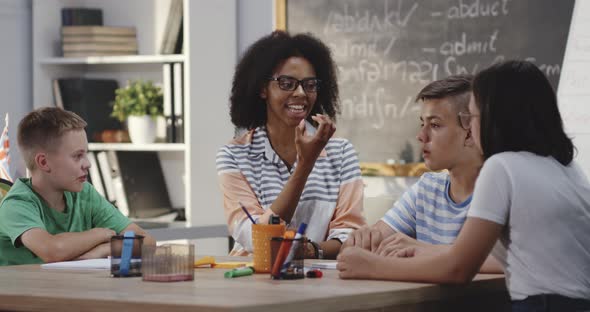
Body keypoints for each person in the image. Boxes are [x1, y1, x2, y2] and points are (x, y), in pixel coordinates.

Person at [337, 60, 590, 311]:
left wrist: (370, 266)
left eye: (476, 116)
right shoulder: (565, 167)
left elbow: (459, 269)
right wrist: (423, 250)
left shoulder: (502, 167)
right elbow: (510, 259)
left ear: (497, 119)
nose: (472, 126)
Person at [216, 31, 365, 259]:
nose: (301, 93)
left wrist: (311, 250)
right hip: (254, 282)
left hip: (321, 280)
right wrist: (305, 166)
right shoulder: (234, 155)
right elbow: (259, 241)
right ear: (262, 88)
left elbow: (350, 235)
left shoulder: (341, 153)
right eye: (286, 83)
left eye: (310, 84)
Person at [341, 75, 501, 273]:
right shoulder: (426, 189)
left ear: (469, 132)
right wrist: (361, 240)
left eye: (435, 125)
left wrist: (424, 250)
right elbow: (362, 247)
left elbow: (507, 261)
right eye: (422, 124)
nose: (421, 136)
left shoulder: (500, 191)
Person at [0, 107, 156, 266]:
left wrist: (106, 249)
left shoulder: (84, 194)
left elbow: (147, 242)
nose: (87, 164)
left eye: (86, 154)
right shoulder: (16, 205)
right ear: (44, 162)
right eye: (77, 156)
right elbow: (52, 251)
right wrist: (101, 234)